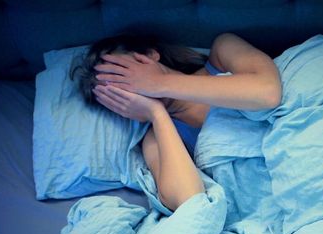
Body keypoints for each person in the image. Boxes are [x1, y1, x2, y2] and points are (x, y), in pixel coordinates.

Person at [71, 32, 282, 212]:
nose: (129, 87)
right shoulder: (159, 136)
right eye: (116, 93)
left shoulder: (221, 53)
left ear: (150, 55)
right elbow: (189, 201)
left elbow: (267, 93)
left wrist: (159, 83)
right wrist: (157, 113)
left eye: (123, 74)